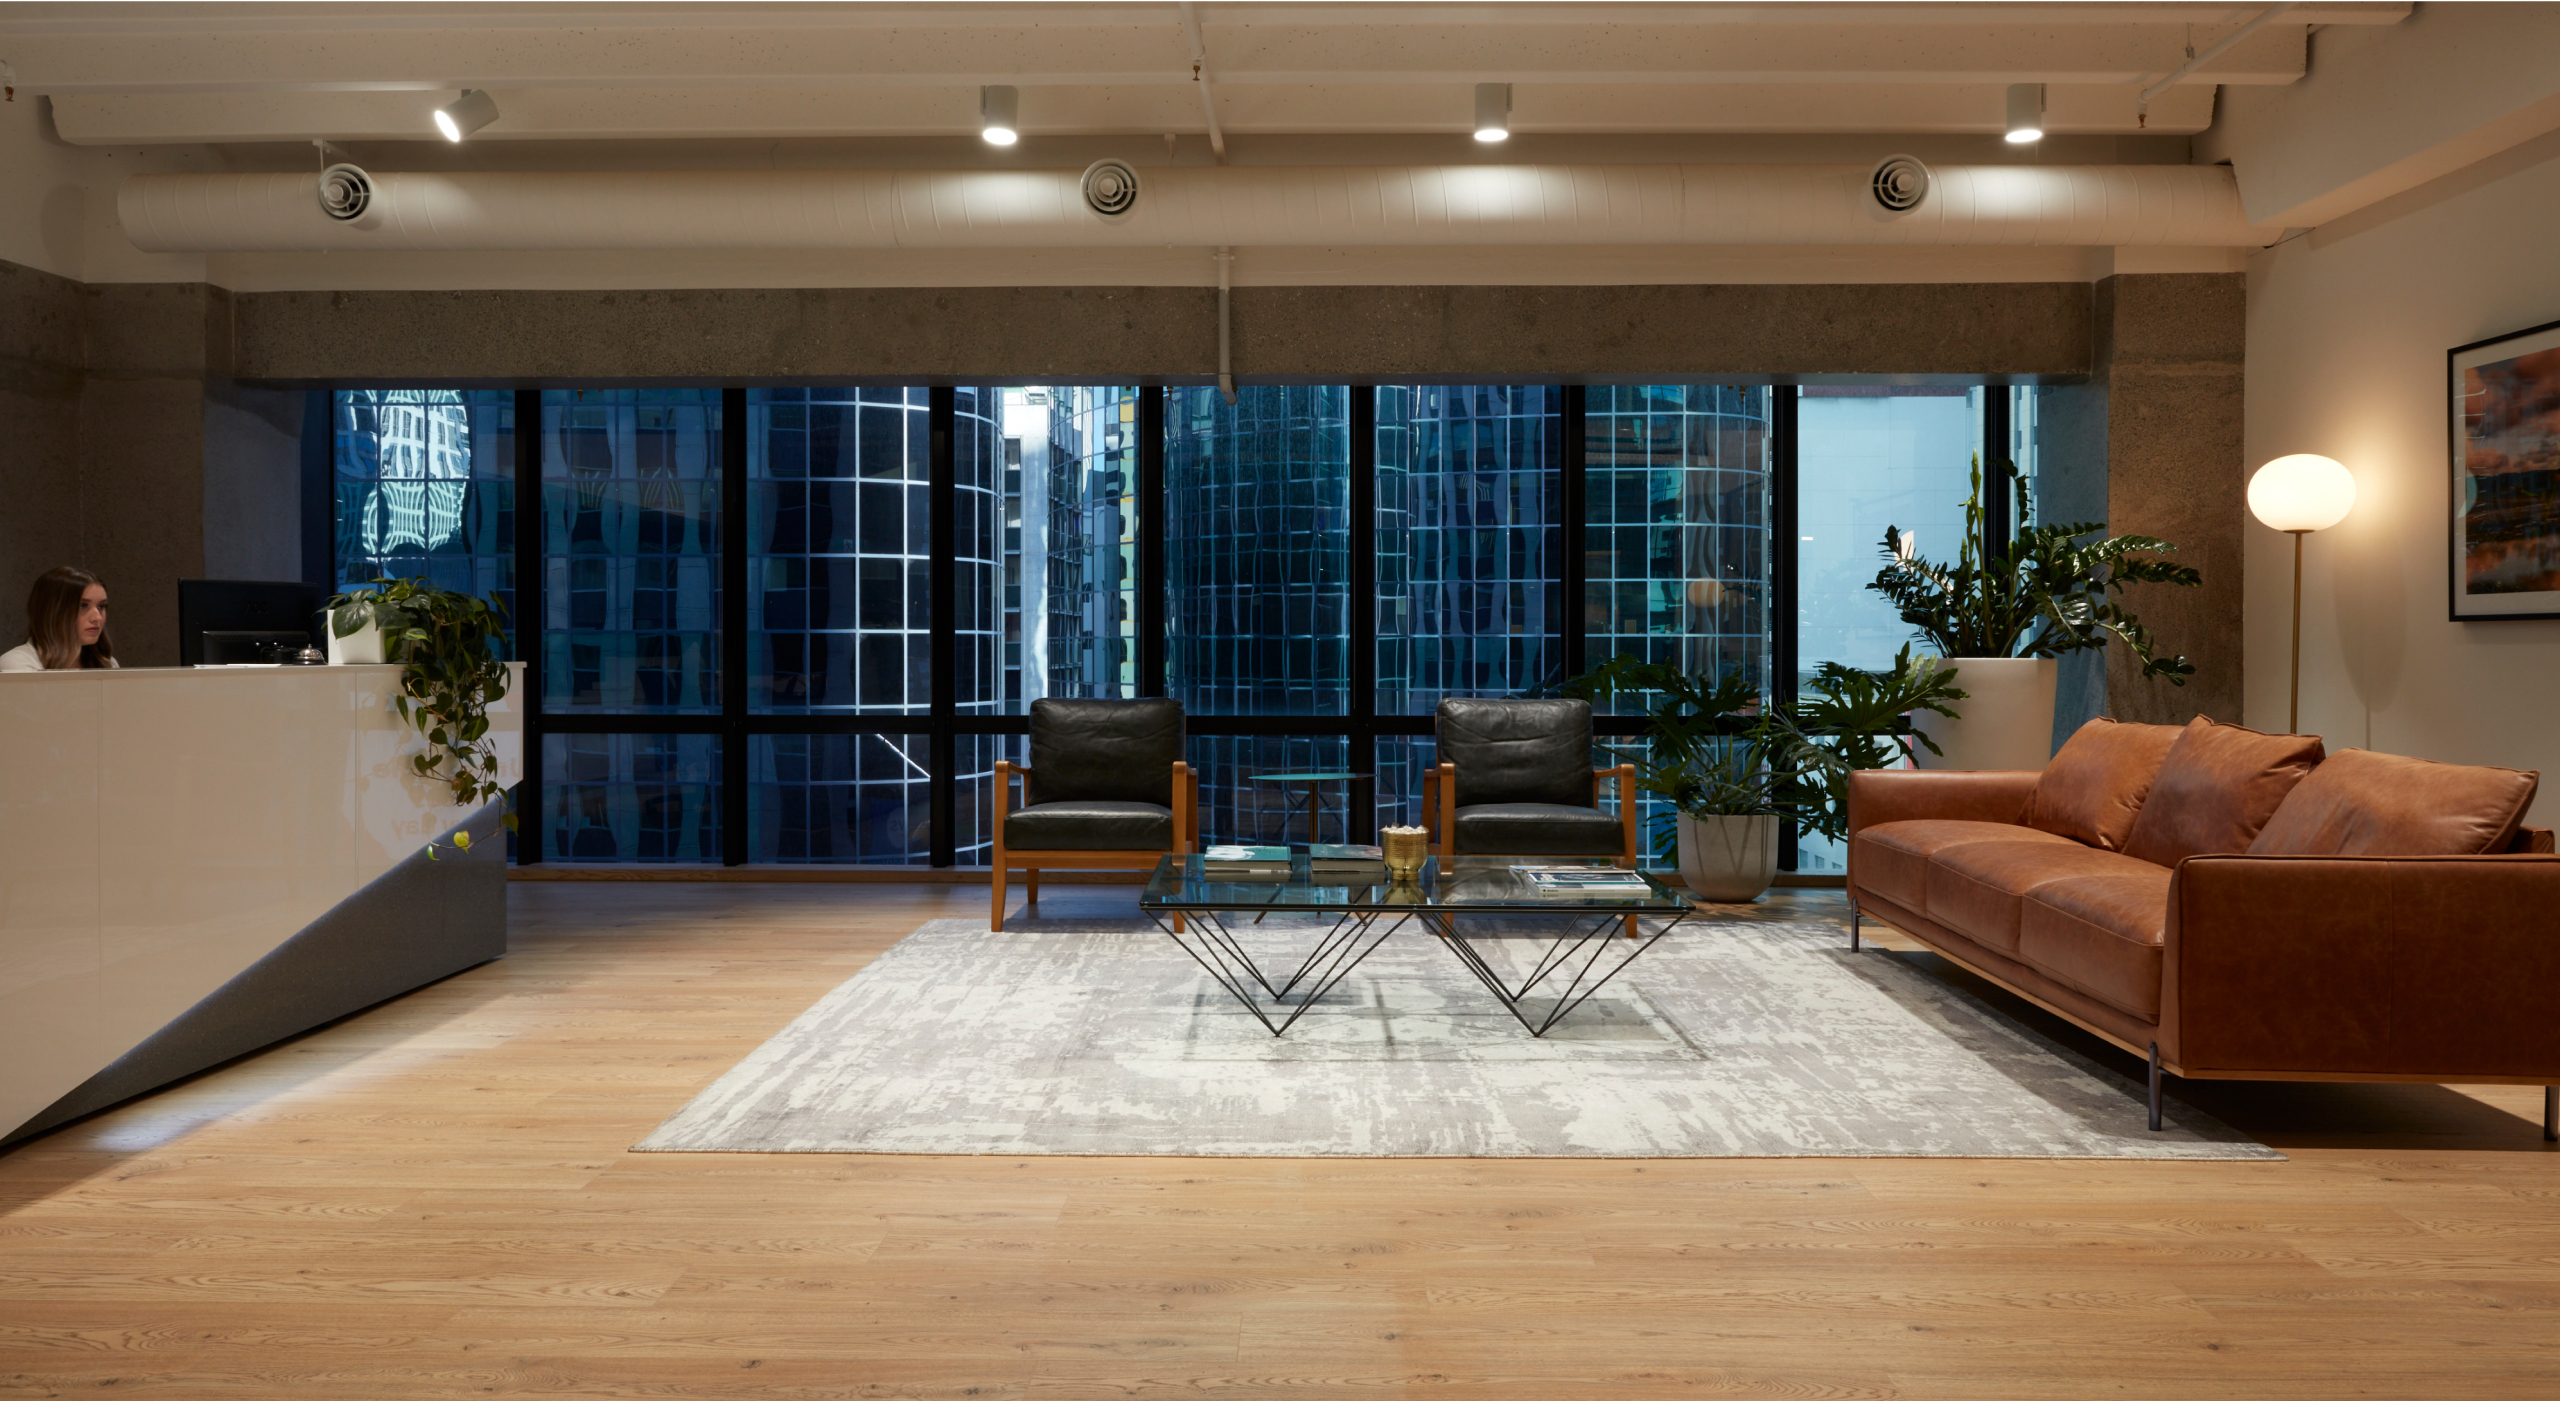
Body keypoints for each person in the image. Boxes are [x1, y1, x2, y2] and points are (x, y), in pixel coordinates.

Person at [1, 566, 120, 672]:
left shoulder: (107, 663)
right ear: (52, 612)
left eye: (101, 606)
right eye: (82, 606)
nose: (97, 618)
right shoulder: (17, 664)